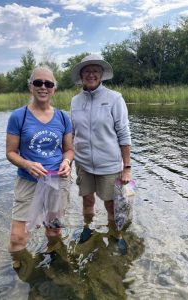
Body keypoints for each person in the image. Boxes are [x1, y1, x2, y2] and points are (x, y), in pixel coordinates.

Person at [6, 66, 74, 254]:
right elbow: (10, 152)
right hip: (28, 181)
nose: (43, 87)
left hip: (57, 181)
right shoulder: (18, 116)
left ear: (54, 89)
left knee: (54, 230)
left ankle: (52, 264)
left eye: (48, 83)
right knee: (17, 238)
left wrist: (66, 162)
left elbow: (69, 150)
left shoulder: (62, 117)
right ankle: (20, 272)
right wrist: (27, 164)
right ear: (30, 86)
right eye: (38, 82)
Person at [70, 54, 131, 254]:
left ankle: (116, 234)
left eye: (95, 70)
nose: (91, 74)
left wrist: (127, 167)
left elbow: (123, 133)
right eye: (86, 70)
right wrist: (67, 161)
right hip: (83, 163)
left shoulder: (114, 98)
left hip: (109, 164)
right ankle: (88, 228)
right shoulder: (75, 101)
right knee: (87, 200)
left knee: (111, 205)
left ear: (102, 74)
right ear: (81, 75)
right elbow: (71, 132)